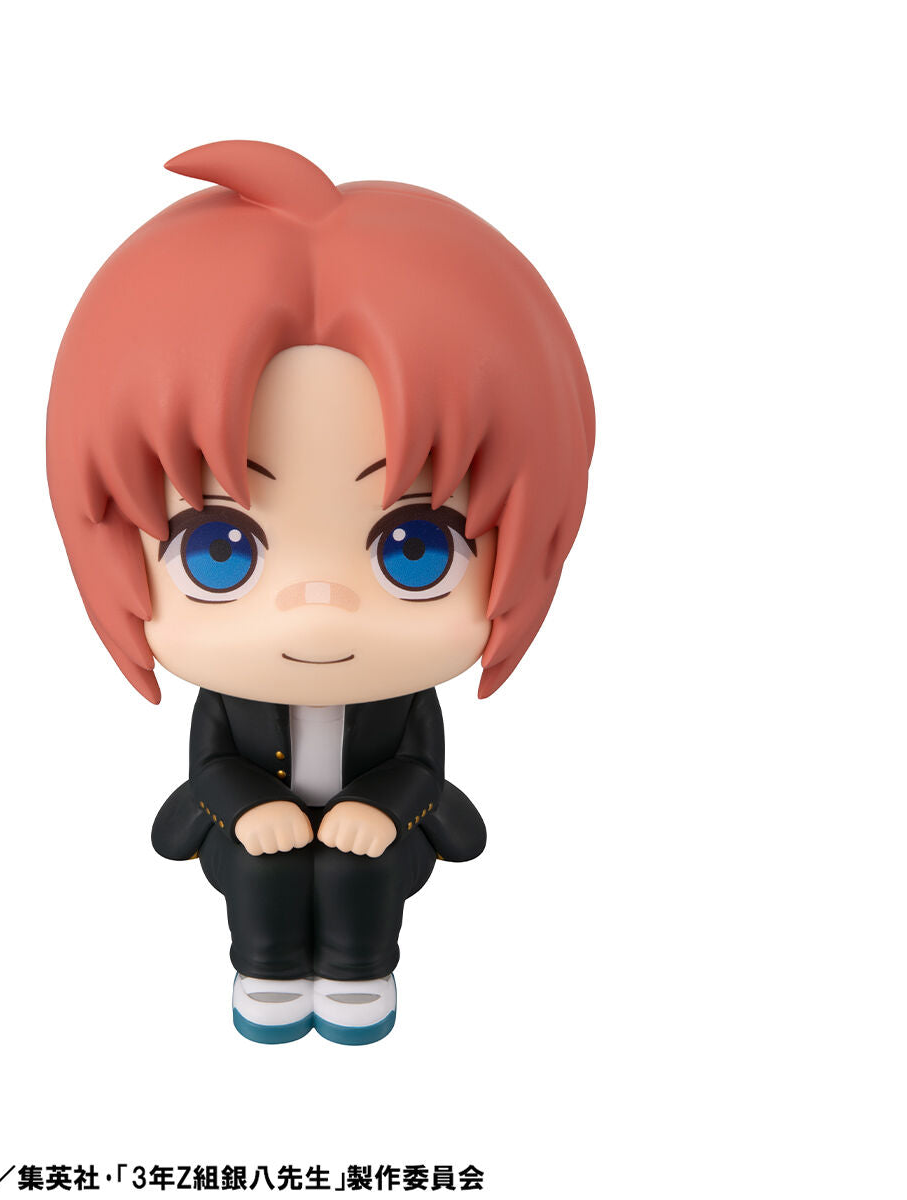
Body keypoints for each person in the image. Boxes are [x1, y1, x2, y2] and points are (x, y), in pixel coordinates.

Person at [46, 140, 594, 1043]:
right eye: (218, 552)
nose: (316, 604)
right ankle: (263, 971)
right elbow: (211, 765)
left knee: (358, 871)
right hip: (247, 838)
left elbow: (420, 768)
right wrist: (248, 808)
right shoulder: (232, 699)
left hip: (378, 841)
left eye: (415, 549)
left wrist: (381, 811)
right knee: (260, 869)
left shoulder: (400, 700)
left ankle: (358, 972)